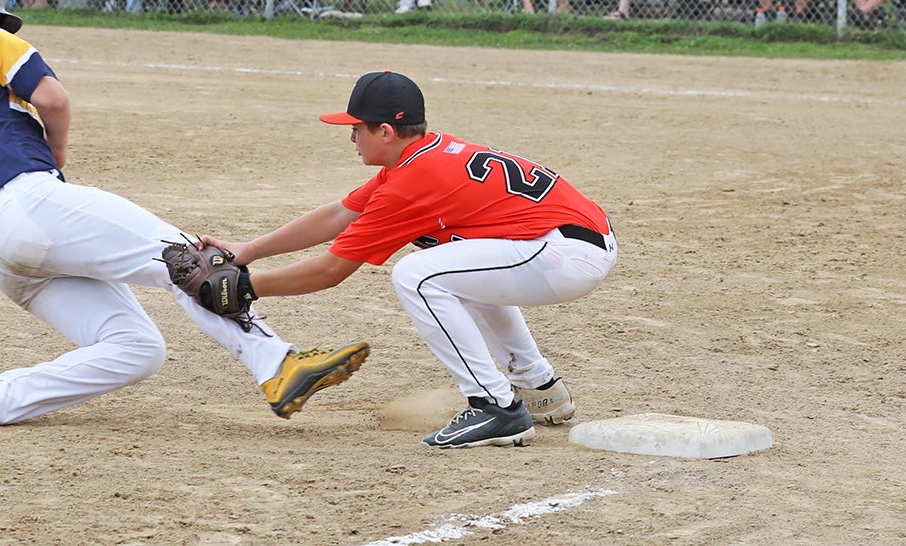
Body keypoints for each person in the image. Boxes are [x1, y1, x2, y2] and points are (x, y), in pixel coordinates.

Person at [0, 0, 370, 431]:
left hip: (0, 255)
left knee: (137, 347)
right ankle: (278, 364)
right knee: (188, 259)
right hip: (32, 201)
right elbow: (53, 99)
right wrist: (56, 153)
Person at [196, 70, 616, 449]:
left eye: (356, 129)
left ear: (385, 132)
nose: (351, 138)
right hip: (571, 243)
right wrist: (247, 251)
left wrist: (246, 288)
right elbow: (340, 215)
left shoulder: (414, 180)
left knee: (418, 276)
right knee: (454, 268)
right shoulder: (421, 155)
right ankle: (539, 387)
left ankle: (496, 408)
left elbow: (330, 270)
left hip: (563, 254)